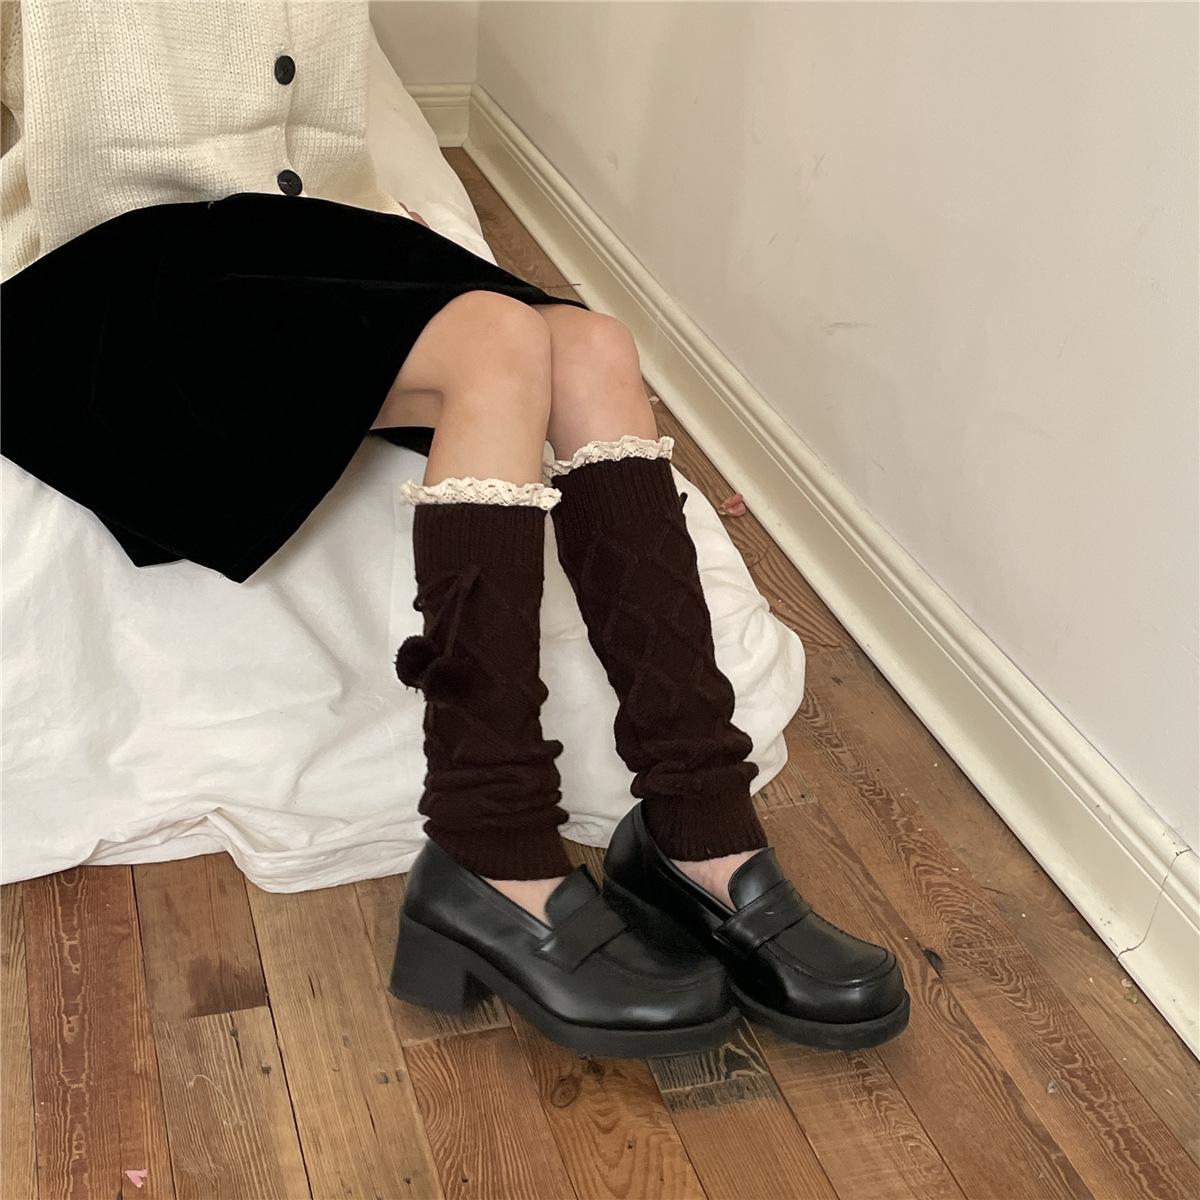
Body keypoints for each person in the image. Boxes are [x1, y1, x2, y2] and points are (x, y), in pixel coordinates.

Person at [0, 0, 909, 1056]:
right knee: (492, 345)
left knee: (594, 348)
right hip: (116, 266)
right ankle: (492, 844)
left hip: (306, 235)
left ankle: (700, 829)